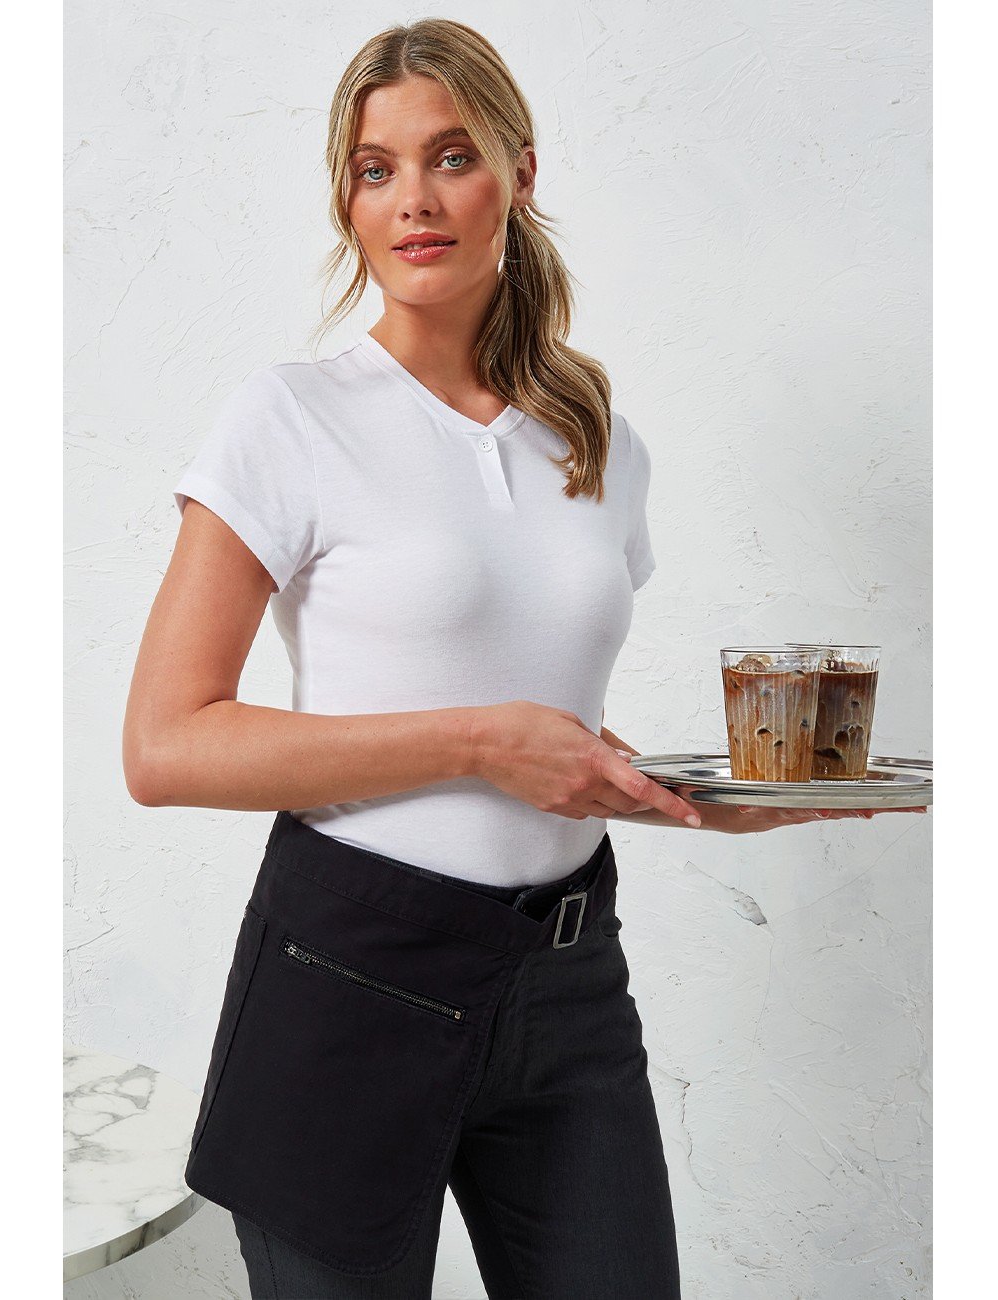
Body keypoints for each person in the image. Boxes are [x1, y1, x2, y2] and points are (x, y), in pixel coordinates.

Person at [122, 19, 924, 1299]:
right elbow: (165, 748)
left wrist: (682, 794)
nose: (414, 199)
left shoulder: (596, 441)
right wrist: (479, 740)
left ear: (520, 172)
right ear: (346, 200)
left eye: (451, 156)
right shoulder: (290, 418)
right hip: (347, 982)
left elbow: (555, 736)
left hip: (567, 985)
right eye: (375, 169)